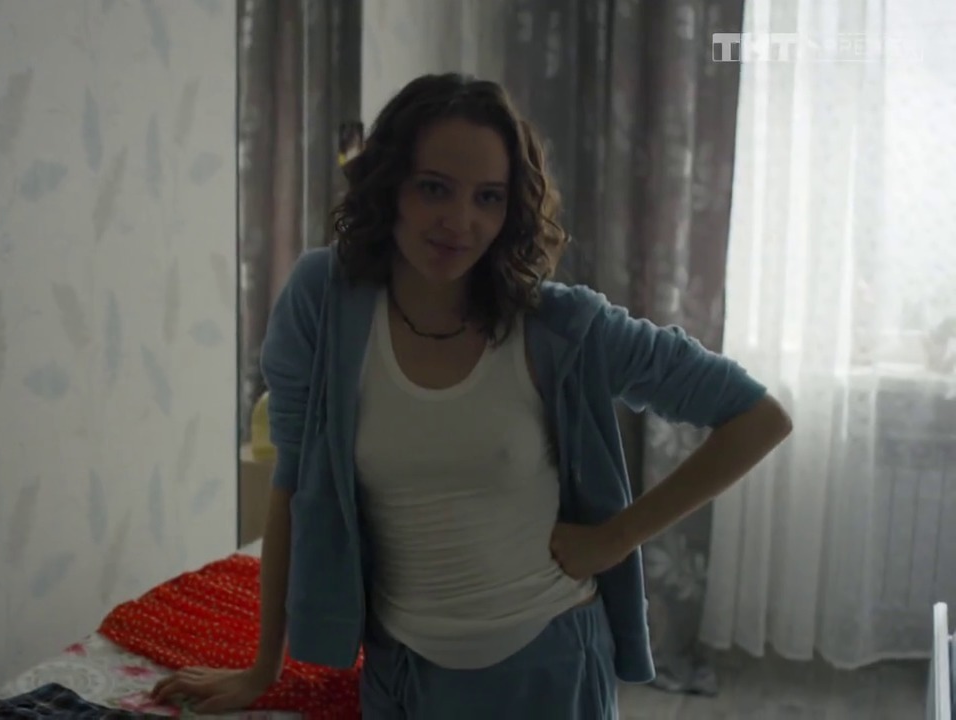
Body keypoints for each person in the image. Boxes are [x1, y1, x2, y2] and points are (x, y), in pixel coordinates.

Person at [152, 73, 792, 719]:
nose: (460, 222)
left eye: (488, 197)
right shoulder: (322, 300)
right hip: (400, 675)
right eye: (434, 188)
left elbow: (758, 417)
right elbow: (293, 484)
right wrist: (262, 668)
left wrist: (617, 537)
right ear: (389, 185)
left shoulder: (559, 327)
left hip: (548, 673)